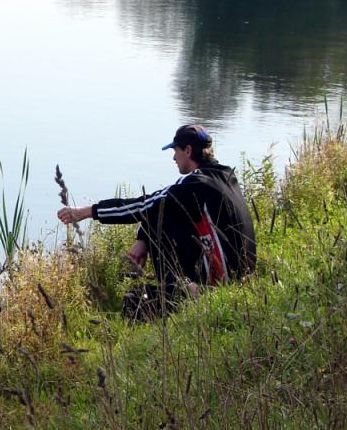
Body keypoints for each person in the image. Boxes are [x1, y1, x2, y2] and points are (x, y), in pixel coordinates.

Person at [57, 124, 256, 318]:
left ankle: (186, 290)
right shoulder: (225, 174)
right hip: (241, 276)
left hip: (220, 283)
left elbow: (143, 205)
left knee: (134, 301)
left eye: (176, 151)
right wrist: (142, 239)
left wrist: (88, 212)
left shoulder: (194, 183)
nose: (174, 158)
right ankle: (182, 286)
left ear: (187, 151)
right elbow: (161, 207)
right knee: (165, 214)